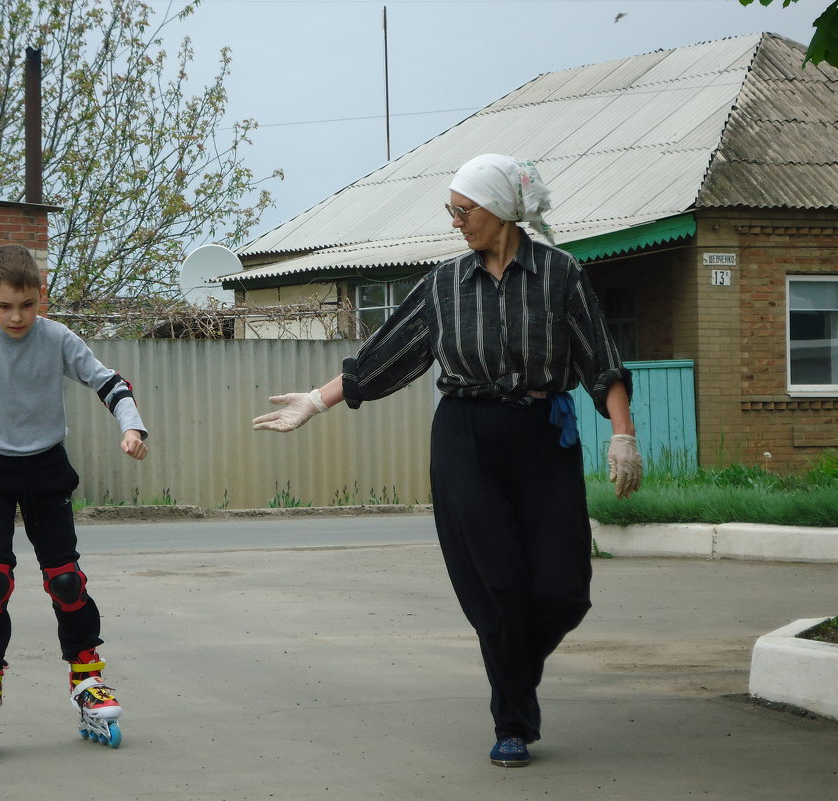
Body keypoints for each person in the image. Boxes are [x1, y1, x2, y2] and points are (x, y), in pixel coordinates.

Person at [253, 154, 642, 768]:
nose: (457, 222)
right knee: (500, 587)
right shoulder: (443, 283)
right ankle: (512, 721)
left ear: (502, 211)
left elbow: (601, 359)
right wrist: (317, 401)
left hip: (543, 434)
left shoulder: (560, 274)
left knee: (566, 590)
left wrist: (622, 434)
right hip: (465, 436)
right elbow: (387, 356)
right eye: (452, 211)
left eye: (466, 211)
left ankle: (513, 666)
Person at [0, 244, 148, 756]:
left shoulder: (57, 337)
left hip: (45, 465)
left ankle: (87, 678)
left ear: (40, 295)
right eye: (4, 306)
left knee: (65, 578)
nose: (17, 316)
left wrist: (131, 427)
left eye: (26, 304)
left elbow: (110, 382)